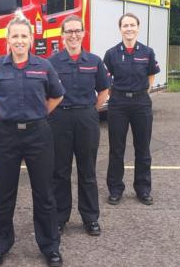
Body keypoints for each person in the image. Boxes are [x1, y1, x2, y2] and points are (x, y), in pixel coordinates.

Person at [0, 10, 65, 267]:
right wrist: (5, 114)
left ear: (30, 39)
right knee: (4, 194)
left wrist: (39, 114)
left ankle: (50, 246)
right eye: (14, 36)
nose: (19, 40)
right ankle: (0, 245)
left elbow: (56, 95)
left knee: (44, 193)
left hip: (39, 134)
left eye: (23, 36)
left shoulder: (44, 66)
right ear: (7, 39)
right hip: (6, 135)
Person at [48, 15, 110, 235]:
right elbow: (46, 92)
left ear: (83, 33)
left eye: (77, 31)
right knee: (60, 171)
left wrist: (91, 110)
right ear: (62, 35)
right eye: (69, 31)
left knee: (87, 171)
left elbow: (104, 90)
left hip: (86, 119)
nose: (73, 35)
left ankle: (90, 218)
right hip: (59, 120)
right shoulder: (52, 62)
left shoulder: (94, 61)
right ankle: (59, 217)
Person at [103, 13, 160, 206]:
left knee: (142, 148)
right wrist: (118, 94)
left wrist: (140, 93)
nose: (129, 28)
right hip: (118, 104)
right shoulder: (111, 54)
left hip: (141, 103)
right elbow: (107, 80)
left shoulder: (147, 52)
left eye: (132, 25)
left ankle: (143, 189)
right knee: (116, 149)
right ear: (120, 29)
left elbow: (151, 77)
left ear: (138, 27)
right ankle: (115, 189)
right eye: (125, 25)